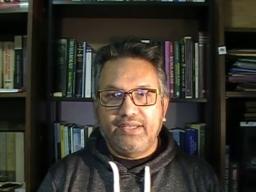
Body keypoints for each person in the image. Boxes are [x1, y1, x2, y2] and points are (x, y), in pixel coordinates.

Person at [38, 38, 222, 192]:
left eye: (142, 94)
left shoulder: (201, 179)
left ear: (163, 106)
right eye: (113, 95)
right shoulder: (62, 179)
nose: (128, 110)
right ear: (96, 108)